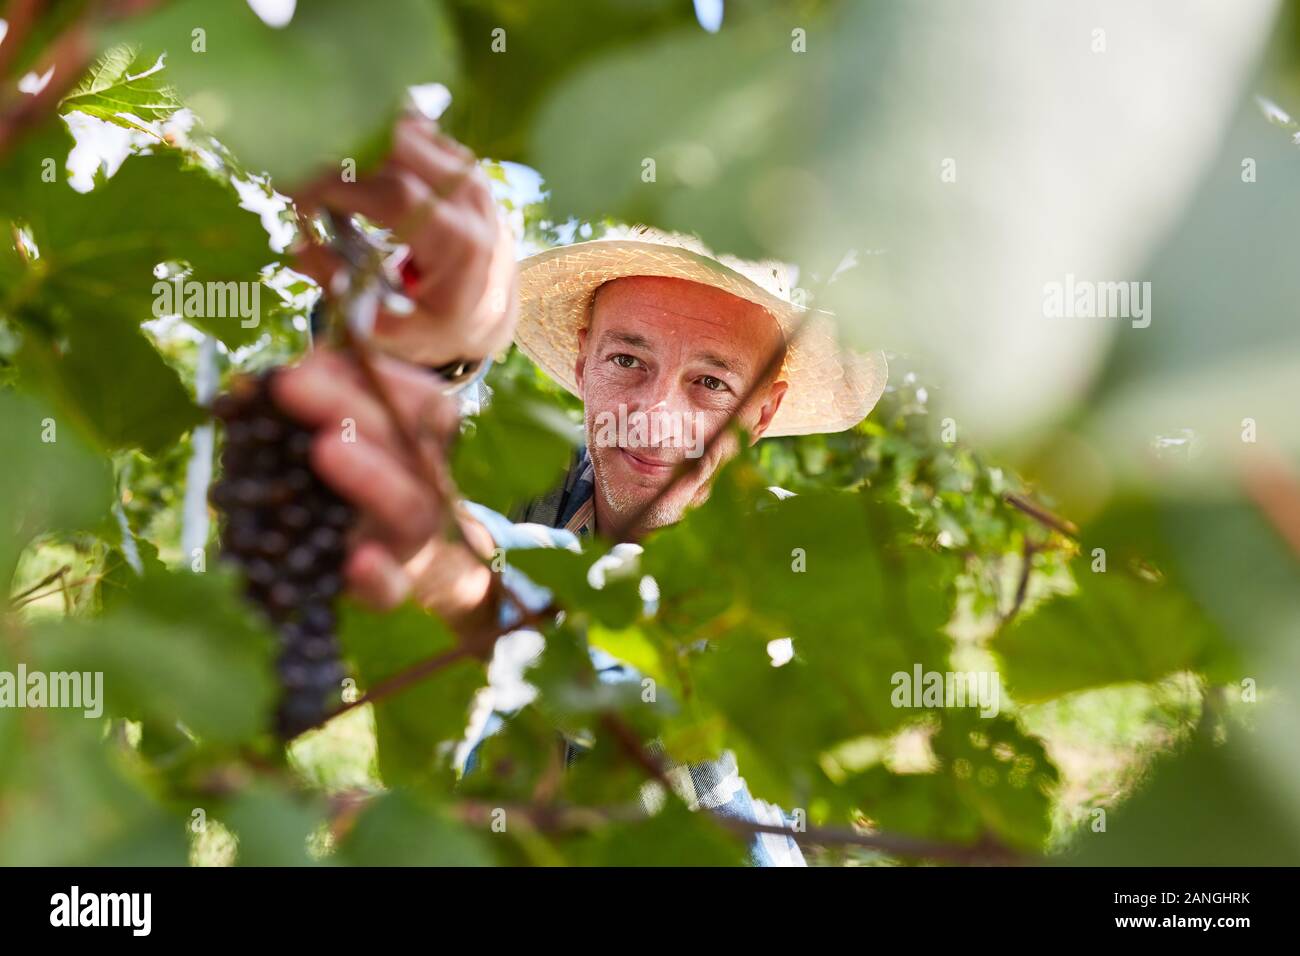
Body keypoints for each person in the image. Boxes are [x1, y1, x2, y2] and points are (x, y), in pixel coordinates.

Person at [275, 117, 887, 866]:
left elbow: (655, 711)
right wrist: (406, 338)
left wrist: (469, 585)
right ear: (583, 361)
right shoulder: (541, 483)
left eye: (710, 383)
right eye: (628, 360)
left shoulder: (792, 565)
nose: (654, 418)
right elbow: (389, 459)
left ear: (761, 412)